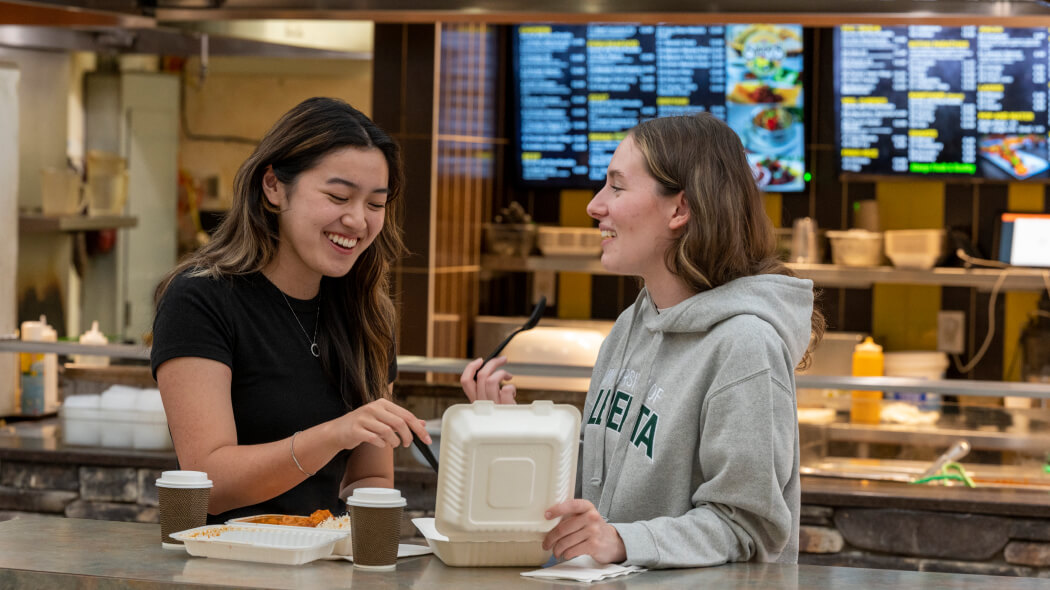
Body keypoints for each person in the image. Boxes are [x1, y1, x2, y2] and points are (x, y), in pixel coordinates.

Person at [462, 113, 824, 569]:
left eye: (616, 187)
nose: (595, 206)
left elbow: (748, 527)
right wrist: (516, 434)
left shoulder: (745, 344)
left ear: (679, 209)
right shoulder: (630, 324)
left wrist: (622, 541)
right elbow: (599, 492)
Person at [151, 97, 430, 523]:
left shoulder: (369, 314)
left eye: (375, 204)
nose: (357, 220)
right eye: (339, 196)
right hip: (225, 568)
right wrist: (333, 434)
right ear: (274, 187)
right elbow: (206, 483)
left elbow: (367, 479)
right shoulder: (200, 299)